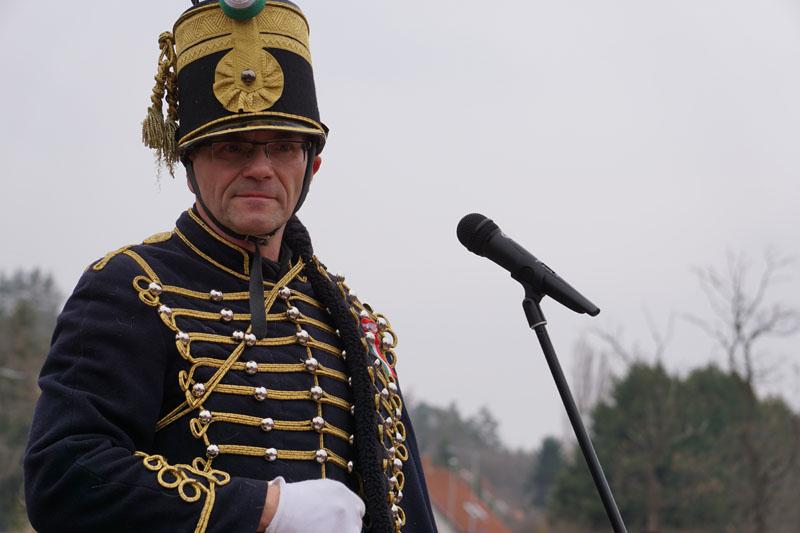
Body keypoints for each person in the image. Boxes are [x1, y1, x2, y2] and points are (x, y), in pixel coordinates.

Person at [24, 1, 436, 531]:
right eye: (232, 148)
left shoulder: (352, 325)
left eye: (282, 147)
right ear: (190, 162)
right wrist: (265, 509)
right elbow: (64, 476)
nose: (260, 168)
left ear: (311, 164)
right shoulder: (130, 286)